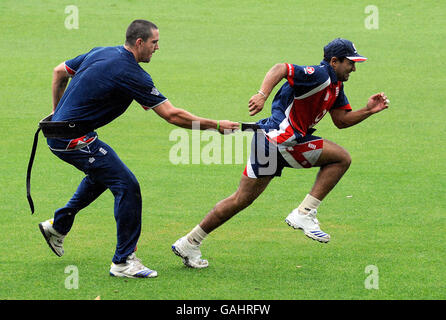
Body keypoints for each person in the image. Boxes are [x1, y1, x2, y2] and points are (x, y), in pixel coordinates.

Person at [38, 19, 239, 278]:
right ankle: (123, 262)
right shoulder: (132, 74)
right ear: (140, 42)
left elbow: (58, 72)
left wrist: (56, 114)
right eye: (154, 43)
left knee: (102, 175)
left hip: (66, 134)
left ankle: (58, 226)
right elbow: (173, 115)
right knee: (127, 185)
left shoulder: (103, 51)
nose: (157, 48)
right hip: (72, 141)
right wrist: (216, 125)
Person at [172, 38, 389, 268]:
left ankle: (190, 242)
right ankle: (304, 212)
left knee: (241, 199)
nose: (354, 68)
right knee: (341, 158)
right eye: (350, 63)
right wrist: (262, 94)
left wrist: (368, 110)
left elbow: (341, 121)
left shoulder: (336, 86)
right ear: (334, 61)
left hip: (272, 141)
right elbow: (281, 68)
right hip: (279, 141)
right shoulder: (320, 75)